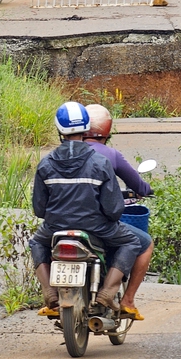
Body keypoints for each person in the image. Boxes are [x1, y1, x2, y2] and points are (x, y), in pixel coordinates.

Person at [30, 102, 141, 317]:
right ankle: (108, 291)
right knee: (131, 241)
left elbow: (39, 209)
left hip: (55, 228)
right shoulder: (100, 162)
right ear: (86, 128)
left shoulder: (45, 165)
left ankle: (48, 290)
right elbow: (114, 210)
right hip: (97, 228)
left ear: (59, 130)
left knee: (36, 242)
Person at [83, 103, 154, 321]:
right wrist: (145, 190)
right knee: (143, 243)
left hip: (61, 222)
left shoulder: (61, 155)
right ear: (107, 132)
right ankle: (127, 300)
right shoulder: (111, 155)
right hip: (99, 224)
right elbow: (137, 184)